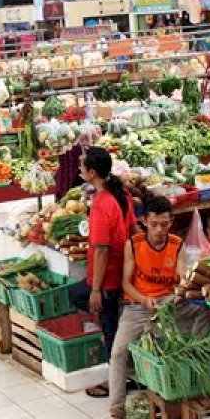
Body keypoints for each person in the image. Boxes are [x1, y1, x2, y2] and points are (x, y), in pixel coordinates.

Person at [95, 194, 187, 419]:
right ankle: (117, 418)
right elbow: (127, 283)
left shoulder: (177, 245)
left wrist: (178, 296)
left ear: (171, 222)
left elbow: (182, 281)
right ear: (144, 221)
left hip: (168, 305)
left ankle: (176, 404)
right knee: (117, 353)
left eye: (165, 224)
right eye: (154, 224)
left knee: (179, 345)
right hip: (138, 305)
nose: (159, 230)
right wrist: (145, 300)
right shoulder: (133, 244)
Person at [70, 148, 134, 399]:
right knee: (110, 324)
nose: (79, 169)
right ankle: (123, 373)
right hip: (121, 271)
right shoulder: (122, 195)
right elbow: (131, 229)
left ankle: (115, 381)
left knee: (108, 326)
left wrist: (96, 289)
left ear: (92, 172)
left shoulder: (101, 204)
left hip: (107, 277)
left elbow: (100, 251)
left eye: (82, 166)